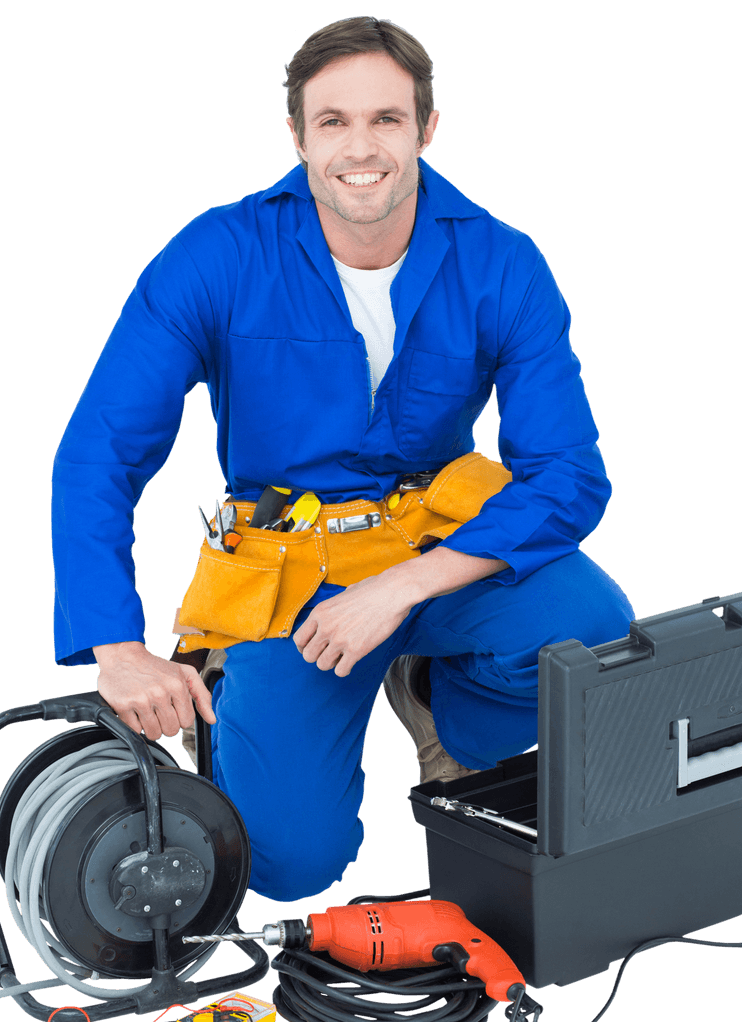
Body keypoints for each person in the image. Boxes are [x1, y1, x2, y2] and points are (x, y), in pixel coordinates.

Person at [51, 17, 634, 901]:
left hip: (437, 551)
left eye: (387, 121)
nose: (361, 149)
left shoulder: (503, 264)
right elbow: (99, 453)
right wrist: (117, 647)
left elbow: (568, 473)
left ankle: (444, 705)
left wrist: (404, 586)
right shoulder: (218, 254)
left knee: (594, 628)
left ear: (426, 128)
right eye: (333, 122)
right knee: (289, 864)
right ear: (298, 135)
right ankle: (295, 712)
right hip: (290, 577)